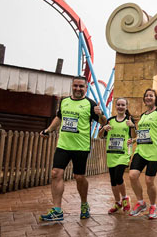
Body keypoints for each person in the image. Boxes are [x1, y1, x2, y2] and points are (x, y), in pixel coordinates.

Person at [39, 76, 107, 221]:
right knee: (56, 173)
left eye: (81, 86)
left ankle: (84, 204)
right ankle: (57, 210)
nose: (78, 89)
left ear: (86, 88)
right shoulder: (64, 101)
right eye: (75, 86)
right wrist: (48, 130)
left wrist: (100, 114)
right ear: (72, 86)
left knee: (79, 177)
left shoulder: (90, 103)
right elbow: (59, 117)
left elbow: (103, 122)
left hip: (81, 147)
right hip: (63, 145)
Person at [128, 88, 157, 219]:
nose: (148, 97)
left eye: (151, 96)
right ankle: (141, 203)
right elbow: (143, 133)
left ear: (155, 98)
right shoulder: (143, 115)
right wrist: (134, 138)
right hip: (141, 150)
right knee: (132, 175)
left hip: (155, 152)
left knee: (149, 181)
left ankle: (153, 206)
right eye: (146, 96)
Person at [98, 98, 136, 214]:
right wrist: (103, 128)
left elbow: (134, 137)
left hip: (123, 154)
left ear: (126, 107)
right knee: (113, 180)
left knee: (119, 176)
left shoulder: (129, 120)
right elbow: (100, 136)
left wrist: (133, 126)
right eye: (118, 104)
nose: (120, 106)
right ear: (116, 106)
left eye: (123, 105)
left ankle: (125, 198)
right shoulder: (110, 121)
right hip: (111, 153)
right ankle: (117, 202)